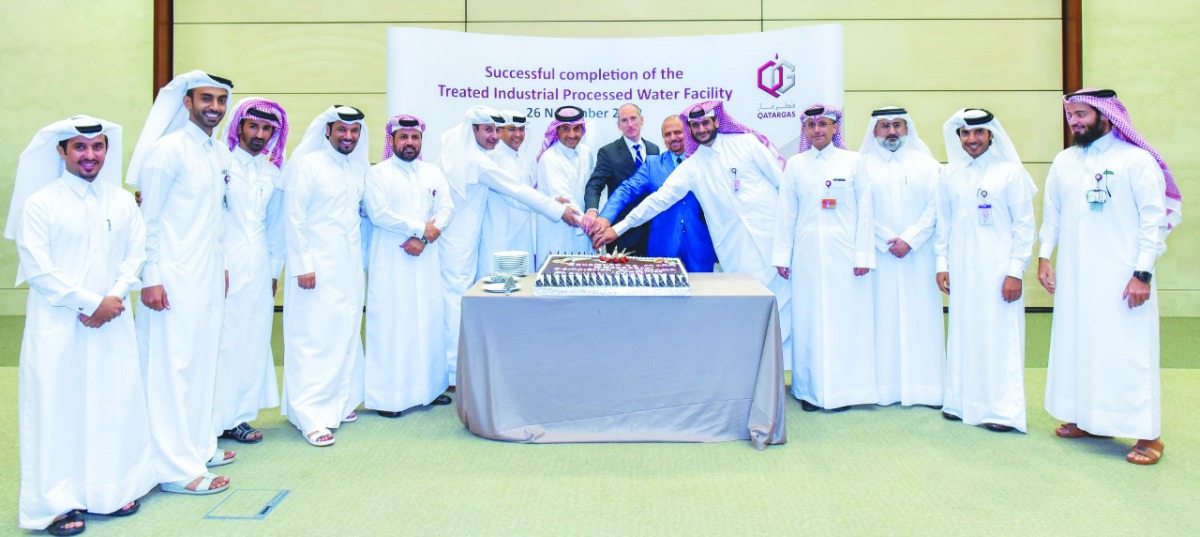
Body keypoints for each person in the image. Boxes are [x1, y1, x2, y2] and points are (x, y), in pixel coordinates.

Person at [8, 116, 157, 535]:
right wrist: (92, 302)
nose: (90, 156)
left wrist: (115, 295)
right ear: (62, 151)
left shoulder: (121, 201)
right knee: (57, 410)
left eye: (97, 148)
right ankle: (54, 505)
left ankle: (109, 492)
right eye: (80, 148)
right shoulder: (40, 204)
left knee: (111, 402)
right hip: (58, 325)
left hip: (111, 320)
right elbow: (38, 269)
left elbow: (136, 253)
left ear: (107, 152)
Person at [1038, 88, 1179, 465]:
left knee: (1127, 352)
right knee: (1081, 346)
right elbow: (1052, 214)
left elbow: (1154, 221)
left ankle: (1149, 436)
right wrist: (1043, 257)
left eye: (1082, 114)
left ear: (1105, 115)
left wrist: (1142, 274)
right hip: (1076, 278)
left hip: (1122, 278)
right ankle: (1090, 420)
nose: (1075, 122)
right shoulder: (1064, 161)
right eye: (1071, 115)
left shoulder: (1136, 160)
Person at [593, 100, 791, 357]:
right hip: (735, 251)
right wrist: (618, 229)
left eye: (705, 123)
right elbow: (658, 200)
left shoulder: (748, 144)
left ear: (716, 122)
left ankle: (785, 371)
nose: (701, 128)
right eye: (695, 125)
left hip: (773, 242)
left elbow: (783, 186)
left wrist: (788, 240)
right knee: (750, 313)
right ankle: (760, 371)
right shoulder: (693, 166)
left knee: (785, 307)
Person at [126, 70, 236, 493]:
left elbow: (215, 217)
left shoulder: (215, 151)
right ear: (186, 103)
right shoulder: (166, 152)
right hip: (170, 278)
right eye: (206, 99)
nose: (214, 108)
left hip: (206, 275)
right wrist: (150, 277)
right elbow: (147, 221)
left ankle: (196, 445)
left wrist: (221, 265)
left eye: (220, 100)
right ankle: (173, 469)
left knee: (201, 360)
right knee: (171, 368)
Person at [438, 105, 582, 386]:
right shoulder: (481, 160)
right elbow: (515, 192)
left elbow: (522, 193)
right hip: (463, 240)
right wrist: (555, 209)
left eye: (496, 129)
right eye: (490, 130)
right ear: (473, 131)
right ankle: (453, 372)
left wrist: (553, 203)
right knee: (459, 299)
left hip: (476, 238)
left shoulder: (486, 156)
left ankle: (469, 367)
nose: (495, 136)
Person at [934, 108, 1036, 433]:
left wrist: (1015, 272)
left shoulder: (1010, 173)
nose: (972, 139)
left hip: (997, 270)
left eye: (978, 133)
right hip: (962, 269)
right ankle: (960, 401)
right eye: (965, 133)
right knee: (964, 331)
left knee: (998, 336)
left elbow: (1024, 226)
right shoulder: (950, 174)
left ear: (991, 135)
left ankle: (1002, 410)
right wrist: (941, 264)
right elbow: (944, 224)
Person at [773, 104, 876, 411]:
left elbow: (866, 211)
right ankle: (811, 391)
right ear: (805, 130)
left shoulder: (854, 162)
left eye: (823, 124)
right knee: (809, 323)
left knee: (845, 322)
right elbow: (786, 213)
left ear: (835, 128)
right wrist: (783, 255)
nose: (817, 130)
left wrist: (863, 255)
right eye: (811, 125)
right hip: (805, 258)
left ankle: (845, 391)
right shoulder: (795, 164)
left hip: (846, 259)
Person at [278, 105, 370, 447]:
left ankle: (338, 402)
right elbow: (294, 218)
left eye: (354, 131)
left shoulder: (356, 168)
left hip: (347, 268)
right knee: (313, 339)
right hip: (313, 270)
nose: (348, 136)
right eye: (341, 130)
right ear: (327, 131)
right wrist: (303, 265)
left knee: (344, 332)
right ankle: (310, 416)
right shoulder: (308, 165)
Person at [364, 114, 455, 418]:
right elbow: (379, 213)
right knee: (393, 325)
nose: (409, 143)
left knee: (427, 322)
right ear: (392, 141)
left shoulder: (432, 172)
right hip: (392, 259)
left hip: (425, 258)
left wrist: (425, 238)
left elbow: (446, 209)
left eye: (414, 138)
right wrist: (419, 228)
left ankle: (429, 390)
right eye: (403, 137)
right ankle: (390, 398)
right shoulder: (378, 174)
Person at [858, 107, 945, 408]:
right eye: (884, 126)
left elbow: (936, 209)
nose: (891, 132)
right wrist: (886, 239)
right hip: (878, 257)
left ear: (908, 129)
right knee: (881, 319)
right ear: (874, 131)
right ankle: (883, 389)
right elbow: (858, 209)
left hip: (918, 257)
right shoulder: (861, 165)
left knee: (922, 318)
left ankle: (927, 390)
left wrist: (910, 239)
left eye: (897, 125)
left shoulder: (928, 165)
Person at [214, 98, 288, 445]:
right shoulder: (218, 161)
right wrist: (219, 264)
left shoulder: (273, 173)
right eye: (253, 126)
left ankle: (239, 416)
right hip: (221, 259)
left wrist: (273, 273)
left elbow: (276, 230)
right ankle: (213, 416)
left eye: (266, 129)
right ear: (239, 127)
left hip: (258, 264)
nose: (259, 134)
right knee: (222, 339)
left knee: (252, 338)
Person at [589, 115, 716, 272]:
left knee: (703, 293)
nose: (673, 138)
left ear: (688, 132)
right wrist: (605, 217)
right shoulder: (652, 164)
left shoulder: (704, 161)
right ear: (662, 137)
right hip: (663, 245)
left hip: (700, 243)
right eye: (668, 134)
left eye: (678, 132)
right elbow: (626, 190)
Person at [584, 103, 659, 256]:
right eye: (624, 120)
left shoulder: (654, 149)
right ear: (618, 125)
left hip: (652, 230)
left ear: (642, 120)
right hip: (620, 233)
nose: (630, 124)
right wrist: (592, 210)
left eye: (633, 118)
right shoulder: (608, 152)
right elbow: (594, 185)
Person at [534, 105, 597, 264]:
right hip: (558, 234)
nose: (572, 134)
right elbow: (565, 200)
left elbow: (591, 190)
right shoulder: (550, 158)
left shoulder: (586, 153)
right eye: (566, 129)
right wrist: (594, 229)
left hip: (584, 232)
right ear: (557, 131)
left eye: (577, 129)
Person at [478, 110, 536, 275]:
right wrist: (551, 205)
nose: (518, 134)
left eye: (522, 129)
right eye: (512, 129)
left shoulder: (525, 160)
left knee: (523, 291)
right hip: (499, 237)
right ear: (499, 130)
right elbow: (514, 197)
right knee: (496, 292)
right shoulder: (491, 158)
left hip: (523, 237)